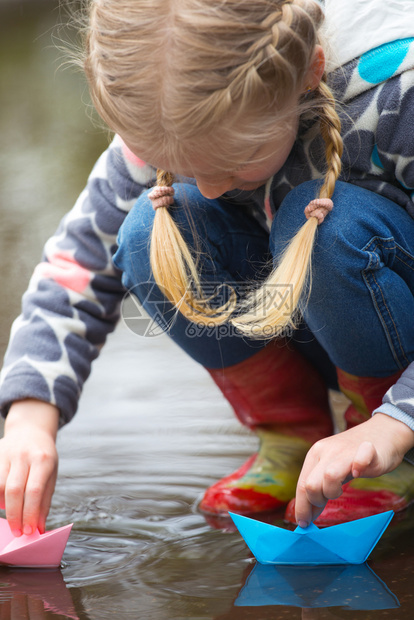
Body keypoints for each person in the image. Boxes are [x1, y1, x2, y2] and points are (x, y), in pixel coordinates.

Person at [2, 0, 414, 538]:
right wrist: (31, 415)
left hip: (393, 339)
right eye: (185, 166)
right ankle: (291, 437)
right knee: (150, 227)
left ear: (309, 74)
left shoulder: (396, 100)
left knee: (325, 227)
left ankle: (382, 449)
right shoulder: (165, 115)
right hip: (302, 325)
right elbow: (77, 267)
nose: (212, 186)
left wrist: (396, 421)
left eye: (233, 161)